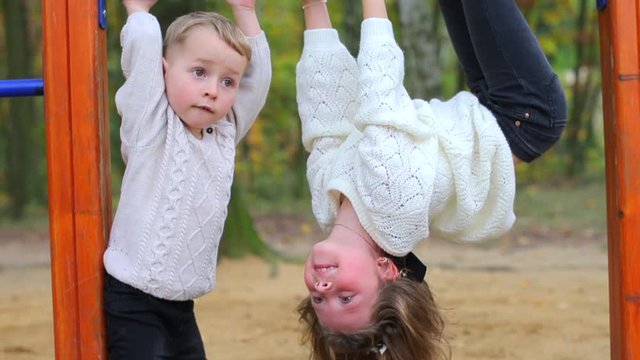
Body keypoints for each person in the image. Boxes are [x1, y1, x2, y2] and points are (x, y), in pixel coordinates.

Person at [295, 0, 567, 358]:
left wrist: (312, 6)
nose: (325, 285)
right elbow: (380, 96)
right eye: (345, 297)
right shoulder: (390, 206)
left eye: (318, 298)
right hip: (525, 112)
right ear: (385, 269)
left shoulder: (326, 205)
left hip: (487, 107)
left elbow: (325, 114)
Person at [102, 0, 271, 358]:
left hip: (182, 306)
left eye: (227, 81)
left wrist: (245, 12)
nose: (213, 89)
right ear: (164, 72)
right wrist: (138, 12)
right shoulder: (150, 123)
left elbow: (257, 82)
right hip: (134, 300)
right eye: (199, 72)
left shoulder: (223, 133)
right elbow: (143, 55)